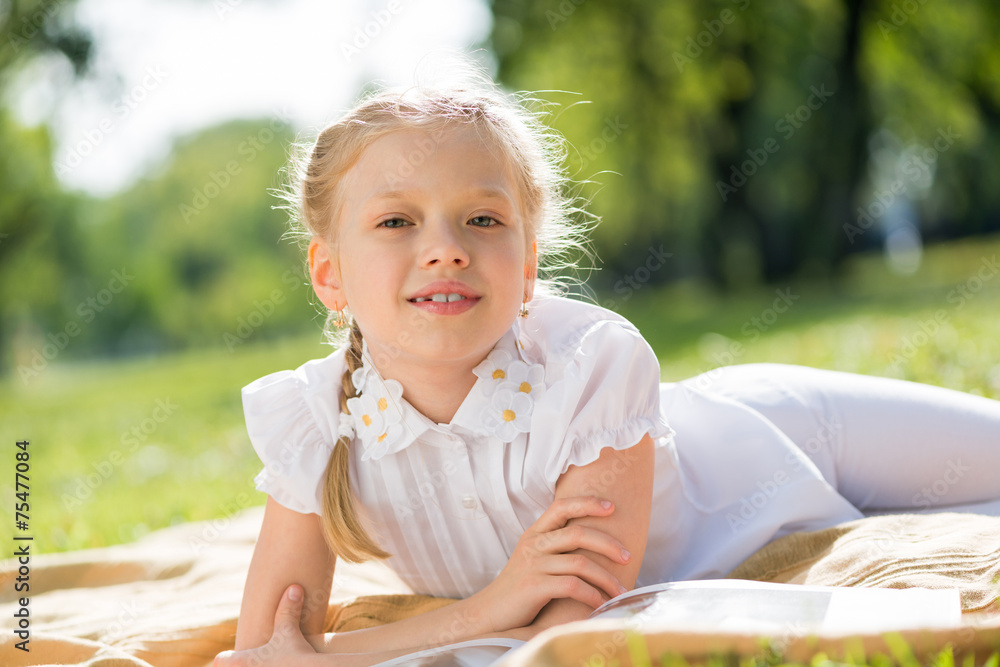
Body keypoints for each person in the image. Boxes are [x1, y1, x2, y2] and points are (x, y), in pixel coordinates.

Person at [214, 75, 1000, 667]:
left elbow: (563, 624)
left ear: (527, 268)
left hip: (786, 430)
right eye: (396, 221)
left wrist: (343, 656)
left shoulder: (592, 363)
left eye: (483, 219)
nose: (446, 246)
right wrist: (494, 605)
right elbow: (267, 648)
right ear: (329, 273)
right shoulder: (316, 420)